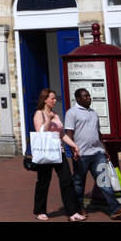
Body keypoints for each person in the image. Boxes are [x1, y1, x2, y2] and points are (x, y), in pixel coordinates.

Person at [64, 88, 121, 219]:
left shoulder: (93, 113)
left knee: (104, 182)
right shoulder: (71, 113)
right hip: (81, 155)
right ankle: (79, 208)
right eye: (85, 96)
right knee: (78, 184)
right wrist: (73, 151)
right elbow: (69, 134)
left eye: (89, 96)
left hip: (97, 153)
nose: (89, 98)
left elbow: (98, 133)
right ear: (78, 99)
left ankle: (115, 209)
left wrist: (104, 149)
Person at [30, 88, 84, 221]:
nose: (55, 101)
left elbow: (62, 134)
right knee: (43, 181)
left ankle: (72, 213)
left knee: (67, 180)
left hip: (59, 152)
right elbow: (41, 132)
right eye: (52, 98)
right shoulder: (39, 114)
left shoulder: (56, 114)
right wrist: (48, 119)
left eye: (55, 98)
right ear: (45, 100)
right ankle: (39, 211)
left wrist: (73, 145)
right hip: (45, 153)